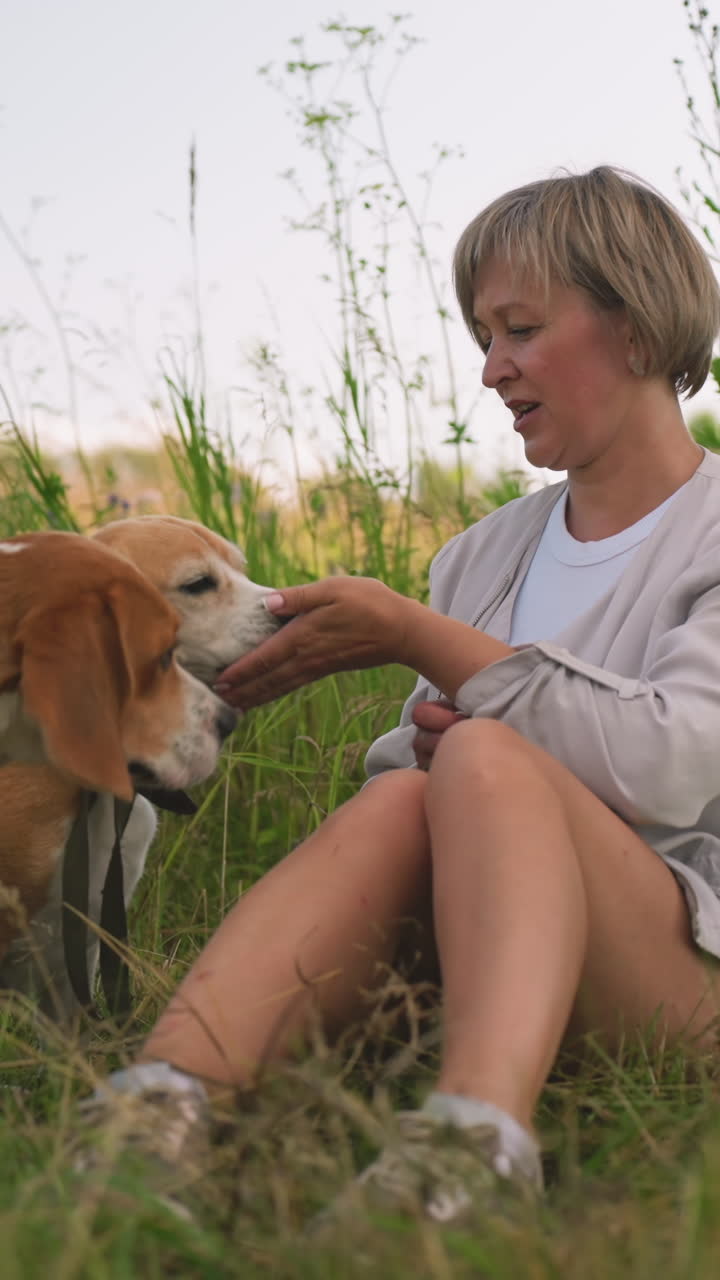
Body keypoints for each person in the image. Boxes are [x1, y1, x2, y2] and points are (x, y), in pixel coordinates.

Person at [77, 166, 720, 1225]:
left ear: (639, 330)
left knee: (479, 753)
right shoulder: (483, 553)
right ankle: (154, 1113)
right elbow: (421, 791)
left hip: (677, 977)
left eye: (519, 328)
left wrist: (425, 643)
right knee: (403, 788)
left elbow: (674, 766)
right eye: (481, 335)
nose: (490, 369)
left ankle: (475, 1146)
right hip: (477, 957)